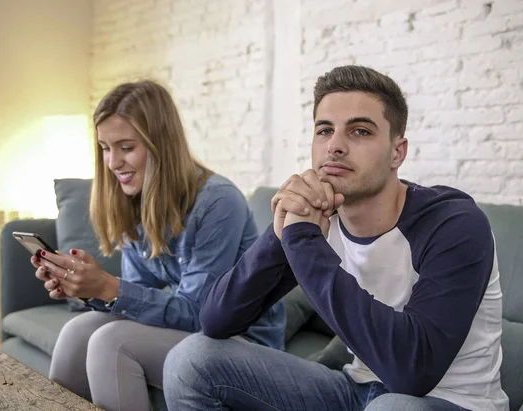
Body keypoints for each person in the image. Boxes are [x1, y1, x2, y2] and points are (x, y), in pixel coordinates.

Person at [163, 65, 509, 411]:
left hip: (446, 402)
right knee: (192, 359)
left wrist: (302, 240)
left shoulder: (454, 223)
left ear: (397, 152)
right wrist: (281, 231)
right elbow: (216, 321)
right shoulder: (318, 216)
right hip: (353, 391)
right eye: (324, 130)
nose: (335, 147)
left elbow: (412, 374)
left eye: (360, 131)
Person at [31, 80, 286, 411]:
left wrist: (109, 287)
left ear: (161, 144)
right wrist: (85, 288)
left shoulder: (218, 201)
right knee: (77, 331)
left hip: (242, 340)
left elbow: (201, 315)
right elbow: (137, 297)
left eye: (126, 147)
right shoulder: (134, 200)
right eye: (106, 148)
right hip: (199, 331)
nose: (112, 163)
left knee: (112, 343)